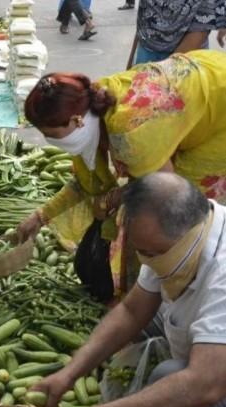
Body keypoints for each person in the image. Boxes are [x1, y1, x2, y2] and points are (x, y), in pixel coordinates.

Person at [16, 50, 226, 290]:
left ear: (77, 121)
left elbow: (167, 189)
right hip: (199, 85)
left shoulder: (131, 134)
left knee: (187, 211)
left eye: (50, 134)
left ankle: (196, 283)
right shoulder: (93, 102)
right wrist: (40, 216)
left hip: (219, 108)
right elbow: (85, 185)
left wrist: (121, 195)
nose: (48, 140)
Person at [34, 173, 226, 407]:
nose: (146, 263)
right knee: (144, 319)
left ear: (187, 234)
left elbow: (204, 385)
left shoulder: (220, 271)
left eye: (151, 254)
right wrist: (69, 374)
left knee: (169, 376)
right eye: (141, 251)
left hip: (214, 380)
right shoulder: (182, 239)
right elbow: (131, 311)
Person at [130, 0, 226, 66]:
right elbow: (145, 13)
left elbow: (200, 30)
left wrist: (160, 76)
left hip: (187, 56)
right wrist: (131, 61)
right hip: (147, 50)